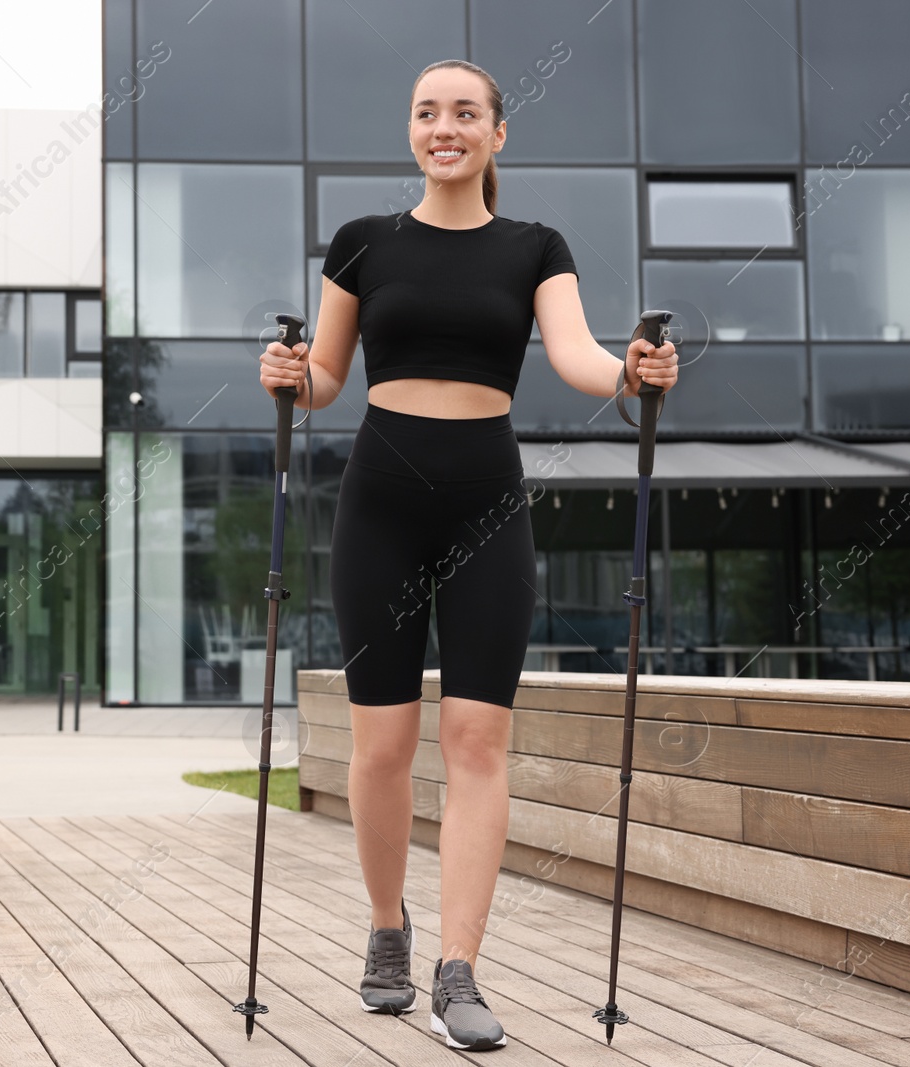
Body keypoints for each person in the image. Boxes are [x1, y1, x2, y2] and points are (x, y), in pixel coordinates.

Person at [258, 58, 678, 1051]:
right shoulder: (362, 244)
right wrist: (286, 372)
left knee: (478, 740)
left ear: (497, 135)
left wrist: (633, 371)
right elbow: (323, 376)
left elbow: (580, 362)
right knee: (383, 743)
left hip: (486, 500)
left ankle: (458, 967)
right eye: (426, 112)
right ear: (413, 130)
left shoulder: (535, 246)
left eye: (465, 113)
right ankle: (387, 928)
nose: (443, 126)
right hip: (380, 502)